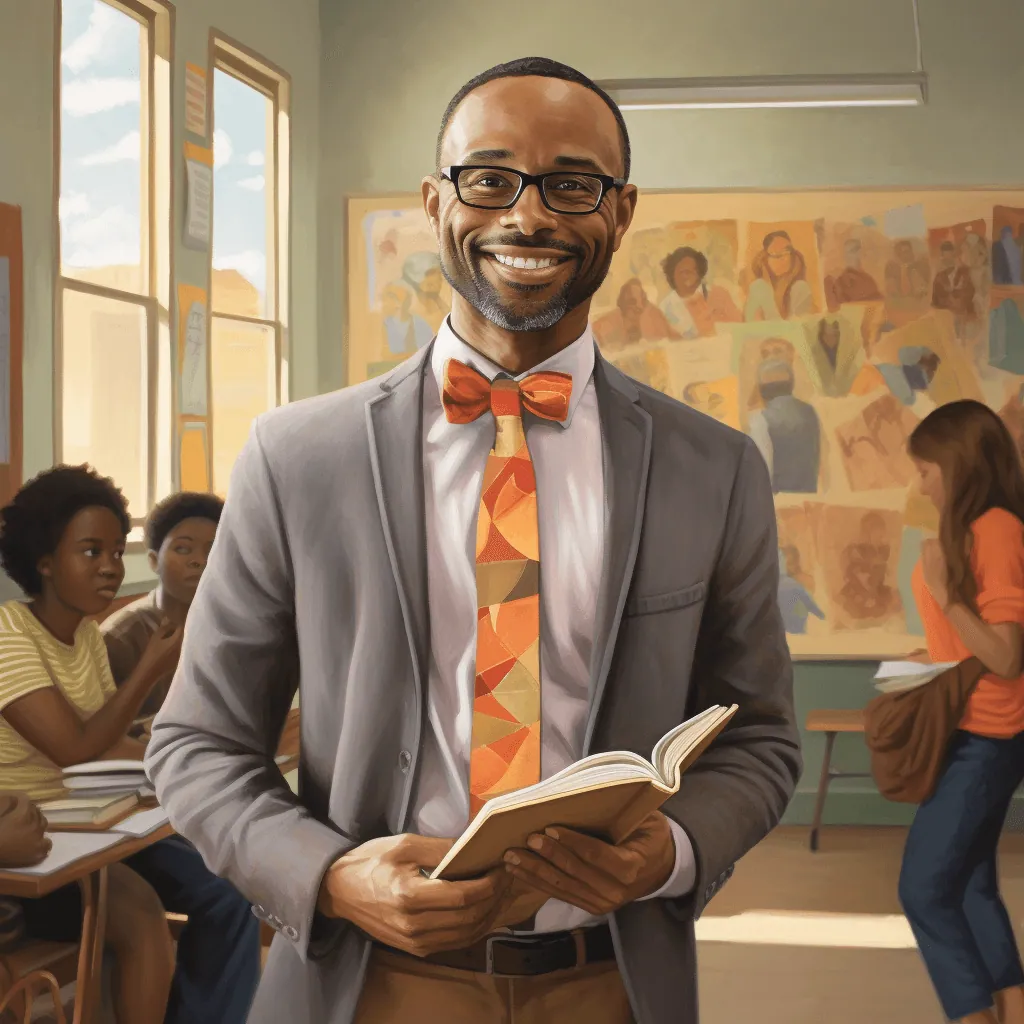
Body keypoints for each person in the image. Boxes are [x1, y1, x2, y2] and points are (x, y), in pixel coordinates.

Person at [145, 56, 800, 1024]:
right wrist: (329, 874)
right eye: (487, 178)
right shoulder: (298, 455)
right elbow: (196, 743)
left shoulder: (715, 466)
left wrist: (673, 848)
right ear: (432, 200)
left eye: (570, 183)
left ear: (619, 212)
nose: (526, 216)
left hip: (610, 979)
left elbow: (759, 738)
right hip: (366, 980)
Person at [0, 466, 260, 1024]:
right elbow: (73, 748)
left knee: (229, 891)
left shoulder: (88, 636)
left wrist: (183, 766)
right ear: (43, 561)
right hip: (38, 837)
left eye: (117, 552)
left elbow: (109, 740)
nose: (110, 568)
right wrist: (149, 670)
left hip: (97, 822)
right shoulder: (9, 634)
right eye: (91, 553)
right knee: (140, 916)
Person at [899, 400, 1024, 1024]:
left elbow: (1005, 656)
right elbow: (981, 643)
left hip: (986, 736)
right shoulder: (977, 527)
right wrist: (934, 652)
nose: (919, 482)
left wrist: (947, 599)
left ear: (957, 462)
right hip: (970, 728)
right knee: (972, 887)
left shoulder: (996, 529)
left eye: (925, 468)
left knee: (922, 887)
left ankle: (974, 1015)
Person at [102, 491, 224, 722]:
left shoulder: (229, 625)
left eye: (213, 550)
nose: (200, 560)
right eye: (183, 549)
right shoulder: (121, 637)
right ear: (154, 560)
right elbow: (96, 731)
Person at [747, 359, 821, 493]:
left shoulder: (760, 420)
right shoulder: (809, 412)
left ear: (762, 390)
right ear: (791, 385)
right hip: (809, 499)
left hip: (778, 504)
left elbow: (761, 474)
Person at [658, 246, 741, 337]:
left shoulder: (719, 294)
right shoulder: (665, 307)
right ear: (672, 275)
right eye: (683, 272)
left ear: (700, 272)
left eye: (693, 271)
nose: (688, 276)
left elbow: (739, 325)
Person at [744, 230, 814, 321]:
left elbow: (798, 326)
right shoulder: (758, 287)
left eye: (786, 252)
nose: (784, 259)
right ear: (766, 258)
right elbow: (751, 323)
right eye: (776, 255)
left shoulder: (800, 288)